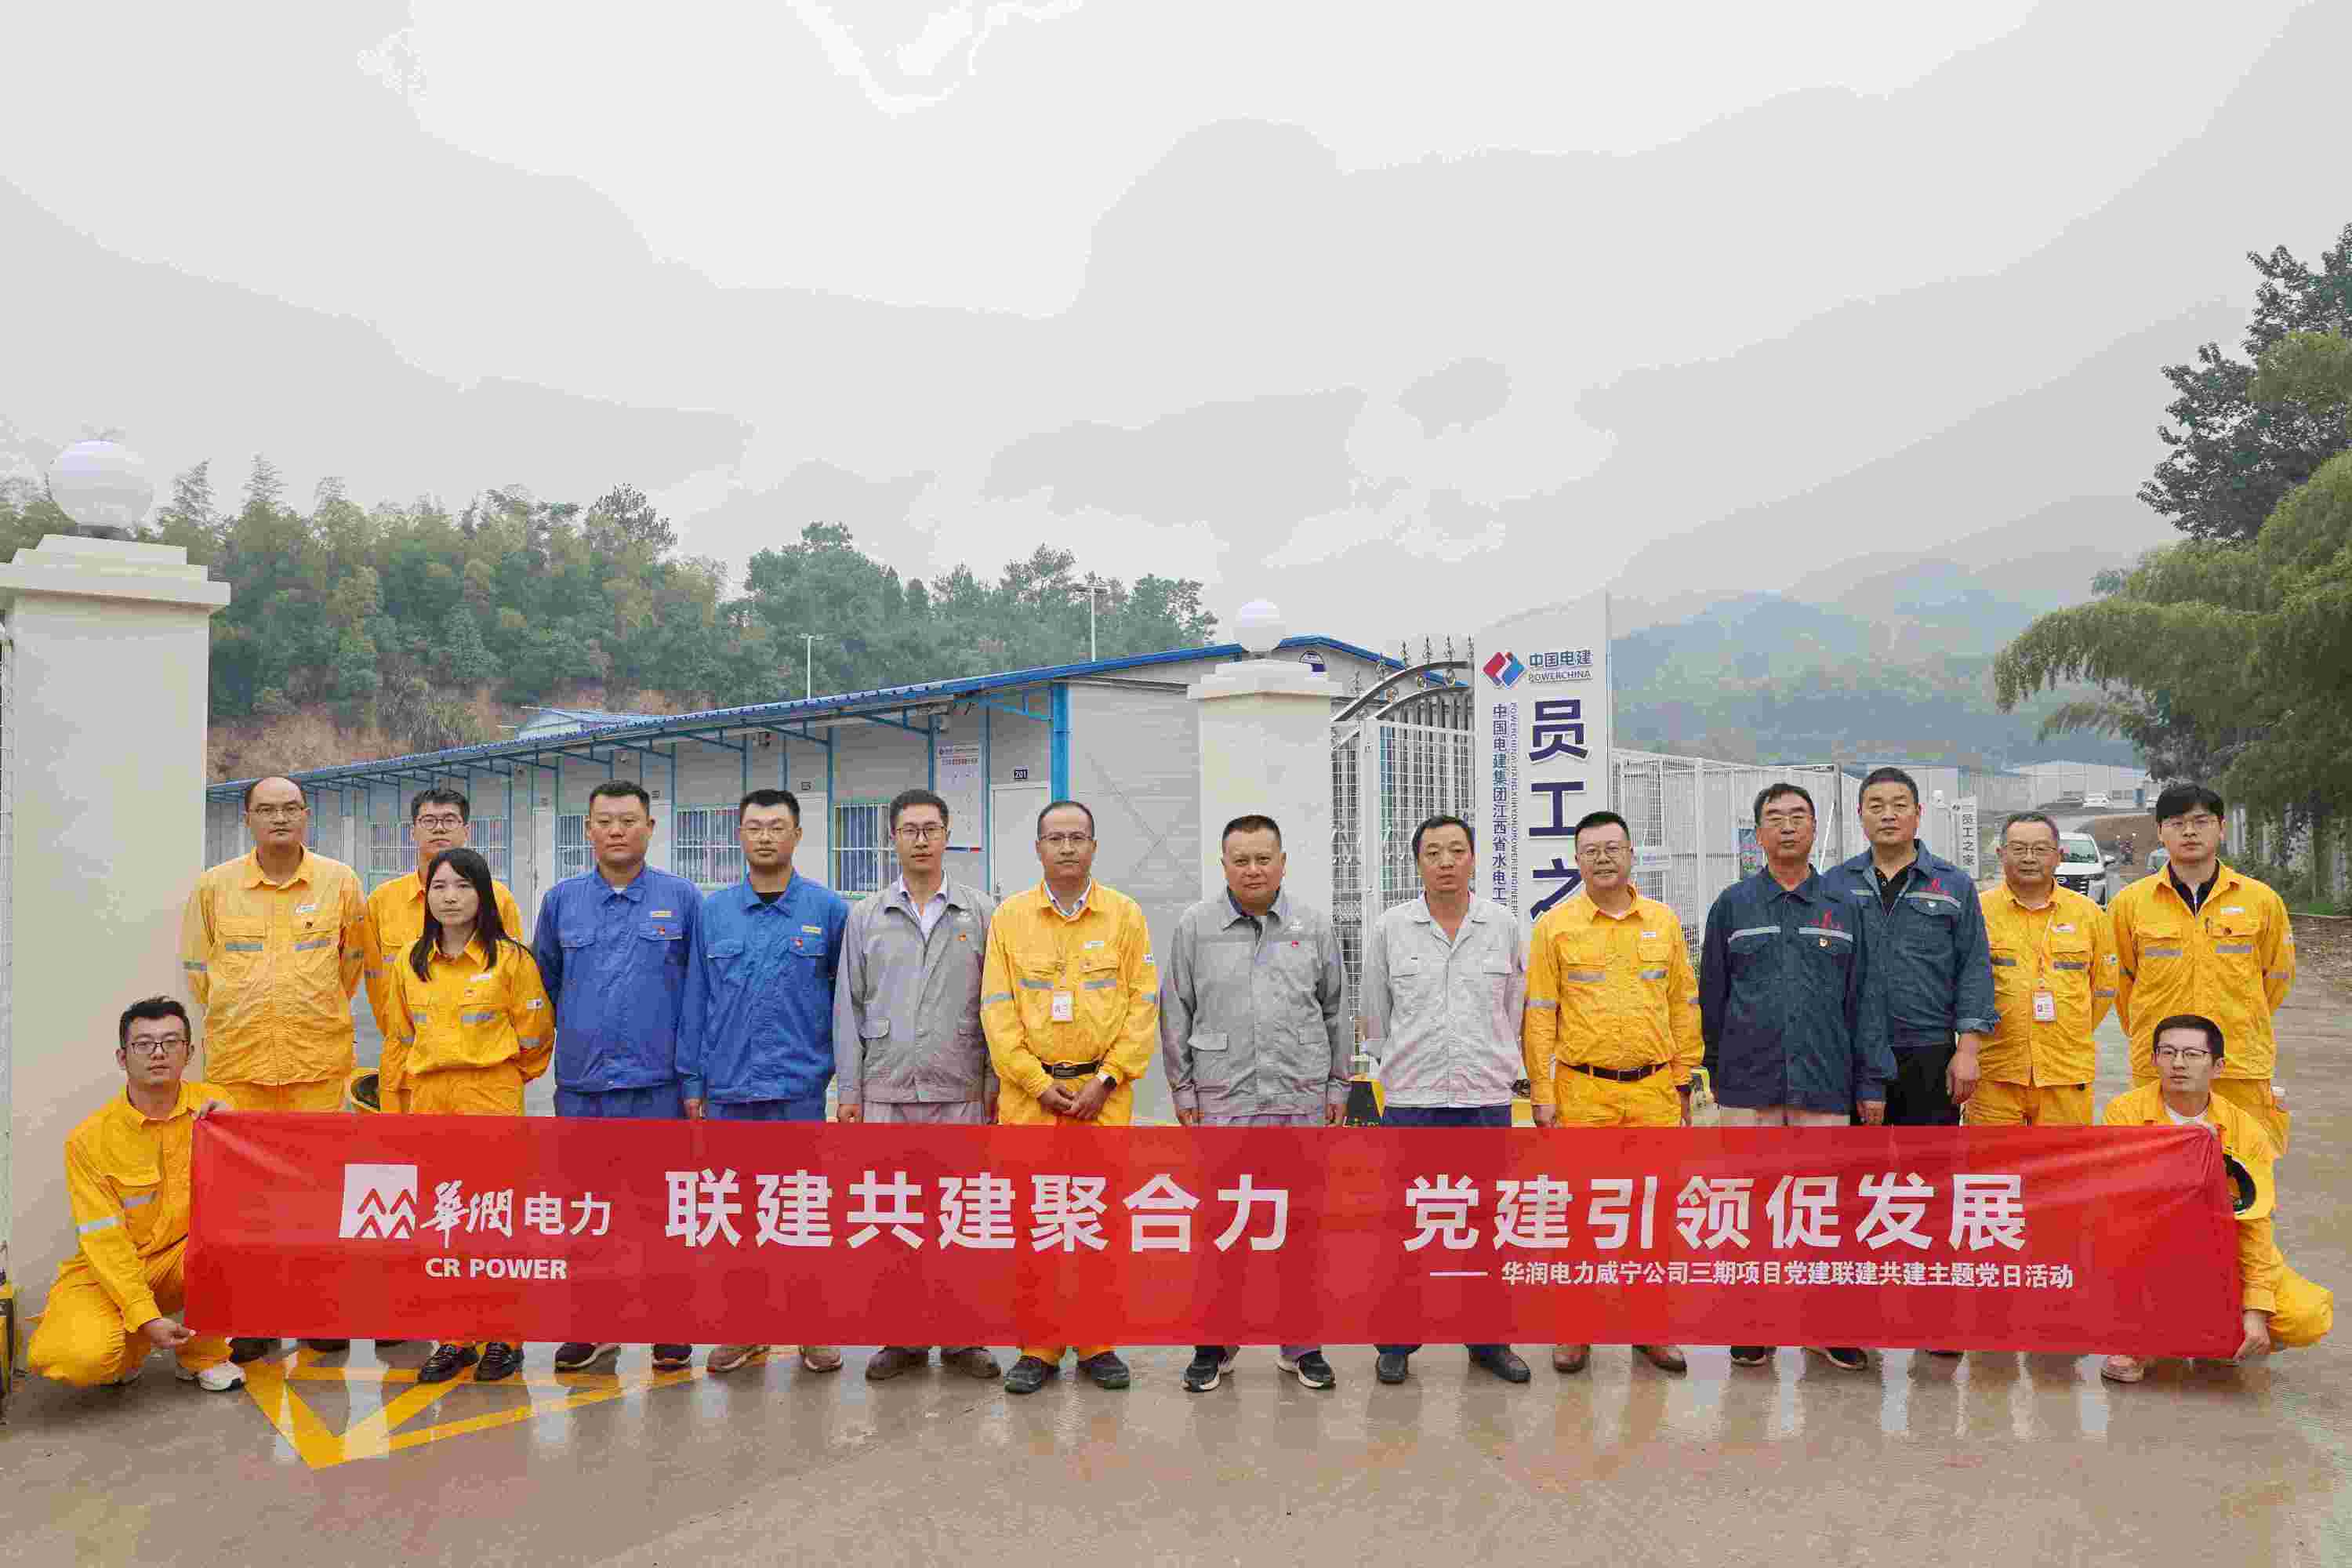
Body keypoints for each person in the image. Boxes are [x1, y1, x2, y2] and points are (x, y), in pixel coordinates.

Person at [1699, 782, 1890, 1373]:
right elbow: (1712, 998)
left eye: (1798, 816)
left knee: (1820, 1211)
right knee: (1749, 1211)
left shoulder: (1845, 905)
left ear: (1814, 829)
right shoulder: (1733, 905)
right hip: (1748, 1086)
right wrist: (1720, 1073)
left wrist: (1870, 1082)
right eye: (1775, 818)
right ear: (1758, 833)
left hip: (1823, 1084)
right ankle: (1752, 1324)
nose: (1787, 826)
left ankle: (1824, 1325)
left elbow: (1866, 999)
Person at [179, 773, 368, 1361]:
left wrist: (307, 1013)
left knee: (319, 1195)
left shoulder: (340, 882)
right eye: (267, 809)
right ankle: (255, 1317)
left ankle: (319, 1311)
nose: (280, 818)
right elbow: (199, 972)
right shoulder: (214, 888)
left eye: (290, 808)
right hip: (241, 1069)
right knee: (249, 1200)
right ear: (249, 819)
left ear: (307, 815)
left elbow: (351, 965)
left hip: (317, 1067)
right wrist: (247, 1013)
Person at [1159, 813, 1348, 1393]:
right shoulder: (1195, 928)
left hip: (1298, 1100)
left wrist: (1337, 1086)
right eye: (1240, 860)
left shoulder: (1313, 927)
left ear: (1283, 863)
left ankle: (1302, 1346)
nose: (1253, 869)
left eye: (1264, 858)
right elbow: (1175, 1011)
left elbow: (1336, 1011)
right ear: (1224, 866)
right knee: (1223, 1228)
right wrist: (1183, 1089)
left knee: (1299, 1229)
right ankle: (1215, 1344)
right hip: (1224, 1102)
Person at [982, 799, 1157, 1396]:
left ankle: (1097, 1344)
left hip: (1103, 1101)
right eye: (1054, 838)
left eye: (1077, 837)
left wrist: (1106, 1081)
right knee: (1035, 1228)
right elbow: (997, 1010)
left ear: (1094, 847)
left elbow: (1143, 1005)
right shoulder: (1010, 918)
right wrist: (1037, 1083)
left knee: (1096, 1225)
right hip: (1031, 1103)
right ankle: (1038, 1348)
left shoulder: (1124, 916)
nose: (1066, 847)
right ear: (1038, 848)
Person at [532, 779, 701, 1376]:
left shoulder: (683, 900)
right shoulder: (562, 902)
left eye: (629, 820)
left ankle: (669, 1327)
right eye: (605, 821)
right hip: (584, 1090)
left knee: (661, 1214)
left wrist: (693, 1083)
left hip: (658, 1090)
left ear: (650, 828)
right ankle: (592, 1326)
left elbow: (698, 996)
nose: (617, 831)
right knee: (588, 1213)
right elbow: (544, 984)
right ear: (587, 830)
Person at [834, 787, 1001, 1385]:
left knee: (960, 1218)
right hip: (887, 1092)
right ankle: (902, 1337)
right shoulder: (866, 916)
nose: (922, 840)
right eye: (910, 830)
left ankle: (963, 1337)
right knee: (895, 1218)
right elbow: (849, 1007)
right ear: (893, 839)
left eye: (931, 829)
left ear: (948, 834)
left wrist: (994, 1083)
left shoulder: (981, 913)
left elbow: (996, 1006)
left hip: (960, 1090)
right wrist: (849, 1092)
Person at [681, 787, 850, 1377]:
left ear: (797, 836)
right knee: (736, 1218)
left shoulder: (828, 911)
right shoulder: (714, 913)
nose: (765, 837)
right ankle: (744, 1327)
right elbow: (696, 1000)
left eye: (777, 827)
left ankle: (811, 1327)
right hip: (730, 1093)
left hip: (798, 1094)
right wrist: (693, 1081)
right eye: (754, 827)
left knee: (802, 1215)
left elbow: (845, 1006)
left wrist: (842, 1080)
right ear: (740, 836)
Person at [1523, 809, 1698, 1377]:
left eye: (1612, 848)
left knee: (1653, 1217)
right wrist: (1542, 1091)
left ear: (1631, 855)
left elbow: (1683, 1003)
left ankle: (1650, 1330)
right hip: (1583, 1093)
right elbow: (1540, 1014)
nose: (1602, 859)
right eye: (1591, 850)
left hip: (1653, 1092)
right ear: (1577, 860)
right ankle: (1575, 1330)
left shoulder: (1663, 923)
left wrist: (1684, 1076)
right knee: (1581, 1217)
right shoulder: (1555, 927)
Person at [1359, 814, 1531, 1388]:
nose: (1446, 862)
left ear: (1474, 859)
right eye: (1433, 852)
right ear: (1418, 863)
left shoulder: (1501, 925)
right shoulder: (1391, 928)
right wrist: (1398, 1065)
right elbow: (1375, 1014)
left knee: (1486, 1224)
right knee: (1406, 1224)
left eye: (1457, 850)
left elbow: (1512, 1007)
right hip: (1414, 1100)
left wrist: (1496, 1063)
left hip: (1484, 1099)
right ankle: (1396, 1343)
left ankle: (1488, 1341)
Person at [384, 848, 554, 1385]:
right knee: (447, 1221)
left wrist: (502, 1080)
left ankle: (506, 1336)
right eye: (439, 887)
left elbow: (536, 1036)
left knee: (496, 1220)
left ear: (483, 895)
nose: (450, 897)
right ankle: (456, 1337)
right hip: (431, 1101)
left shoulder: (511, 960)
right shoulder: (411, 962)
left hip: (492, 1098)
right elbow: (401, 1036)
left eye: (462, 886)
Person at [2098, 1014, 2332, 1384]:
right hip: (2150, 1252)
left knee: (2306, 1316)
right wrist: (2182, 1157)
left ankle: (2229, 1336)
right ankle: (2143, 1340)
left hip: (2225, 1248)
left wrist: (2256, 1310)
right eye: (2168, 1052)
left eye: (2193, 1054)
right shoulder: (2124, 1113)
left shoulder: (2245, 1130)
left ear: (2218, 1066)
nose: (2178, 1063)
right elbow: (2118, 1201)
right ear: (2154, 1059)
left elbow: (2255, 1221)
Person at [24, 998, 242, 1392]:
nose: (158, 1053)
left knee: (226, 1244)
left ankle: (204, 1356)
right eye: (144, 1044)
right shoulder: (89, 1140)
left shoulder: (218, 1109)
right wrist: (144, 1316)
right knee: (70, 1356)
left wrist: (238, 1129)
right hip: (113, 1266)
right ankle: (132, 1346)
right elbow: (104, 1241)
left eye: (171, 1042)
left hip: (186, 1257)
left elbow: (258, 1183)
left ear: (189, 1053)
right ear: (122, 1057)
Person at [2109, 784, 2296, 1153]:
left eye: (2201, 821)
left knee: (2243, 1170)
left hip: (2239, 1064)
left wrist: (2240, 1021)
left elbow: (2276, 977)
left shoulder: (2261, 901)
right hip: (2161, 1065)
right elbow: (2119, 983)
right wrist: (2155, 1033)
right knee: (2157, 1169)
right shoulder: (2130, 904)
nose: (2190, 832)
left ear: (2221, 828)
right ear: (2160, 831)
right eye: (2177, 823)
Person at [1821, 767, 1996, 1126]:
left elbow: (1974, 969)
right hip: (1852, 1052)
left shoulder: (1953, 885)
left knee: (1929, 1159)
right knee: (1854, 1157)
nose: (1888, 815)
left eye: (1899, 805)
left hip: (1929, 1052)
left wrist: (1967, 1051)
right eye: (1876, 806)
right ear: (1860, 815)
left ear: (1918, 813)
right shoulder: (1834, 885)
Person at [364, 788, 524, 1115]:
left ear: (467, 830)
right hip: (406, 1067)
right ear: (413, 831)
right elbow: (370, 976)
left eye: (450, 820)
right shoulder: (383, 900)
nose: (439, 828)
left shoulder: (498, 899)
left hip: (482, 1074)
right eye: (429, 821)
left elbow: (517, 984)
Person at [1967, 812, 2118, 1129]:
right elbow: (1963, 986)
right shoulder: (1977, 912)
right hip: (1995, 1072)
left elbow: (2104, 988)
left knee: (2064, 1160)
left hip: (2066, 1073)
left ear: (2058, 856)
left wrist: (2067, 1029)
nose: (2029, 858)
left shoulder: (2088, 915)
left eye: (2040, 849)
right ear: (2001, 854)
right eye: (2018, 849)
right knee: (1990, 1159)